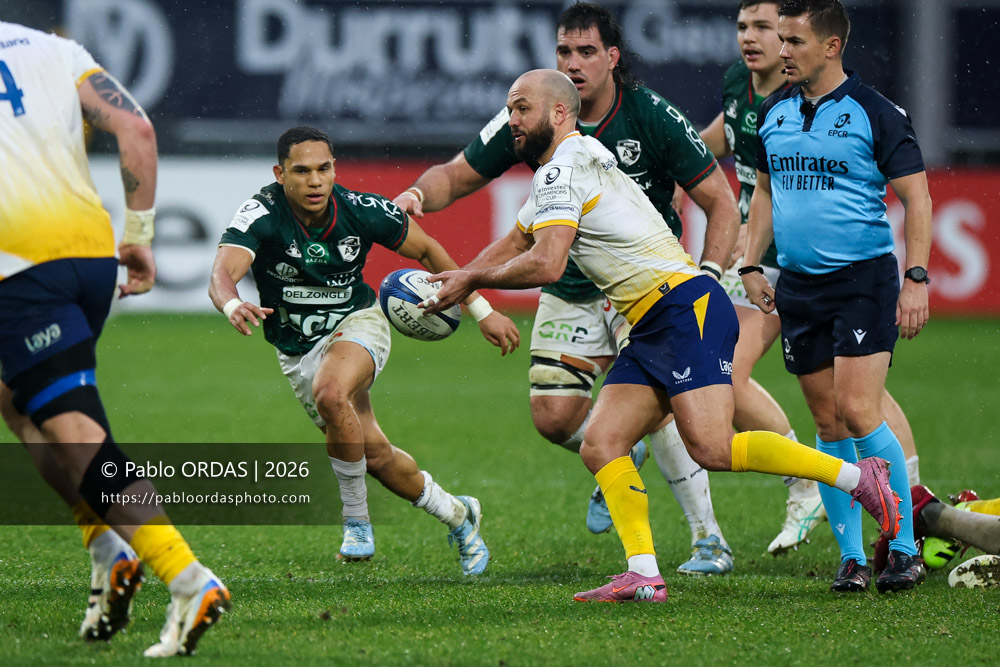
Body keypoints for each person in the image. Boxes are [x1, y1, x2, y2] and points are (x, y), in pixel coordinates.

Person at [422, 68, 902, 603]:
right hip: (654, 320)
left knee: (712, 446)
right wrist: (462, 278)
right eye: (510, 109)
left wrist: (472, 281)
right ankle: (644, 573)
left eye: (521, 108)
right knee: (602, 442)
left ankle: (858, 479)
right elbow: (516, 241)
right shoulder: (571, 162)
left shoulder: (563, 169)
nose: (511, 120)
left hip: (683, 308)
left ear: (558, 113)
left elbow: (548, 262)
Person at [394, 1, 743, 576]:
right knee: (554, 417)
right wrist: (414, 195)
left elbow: (720, 202)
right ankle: (621, 451)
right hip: (571, 283)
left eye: (586, 51)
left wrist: (710, 274)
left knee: (669, 410)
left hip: (643, 287)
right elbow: (456, 176)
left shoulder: (652, 115)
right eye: (564, 51)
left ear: (613, 57)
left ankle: (709, 539)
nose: (574, 62)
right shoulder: (529, 116)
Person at [0, 21, 229, 657]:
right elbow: (137, 129)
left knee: (73, 428)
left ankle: (187, 578)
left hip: (19, 266)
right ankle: (107, 548)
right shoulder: (51, 48)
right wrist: (140, 235)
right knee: (20, 404)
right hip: (89, 253)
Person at [208, 126, 519, 576]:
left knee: (331, 393)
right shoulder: (262, 213)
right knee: (374, 456)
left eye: (324, 169)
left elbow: (429, 250)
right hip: (296, 350)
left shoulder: (361, 209)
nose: (315, 181)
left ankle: (356, 521)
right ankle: (458, 513)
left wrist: (483, 310)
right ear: (280, 174)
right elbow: (221, 273)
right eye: (302, 171)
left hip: (358, 323)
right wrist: (232, 303)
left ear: (335, 168)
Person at [700, 0, 924, 555]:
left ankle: (905, 544)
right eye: (778, 38)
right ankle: (852, 558)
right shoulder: (772, 111)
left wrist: (916, 278)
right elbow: (764, 191)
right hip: (797, 284)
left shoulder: (876, 112)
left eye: (792, 40)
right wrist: (751, 264)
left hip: (861, 279)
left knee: (860, 409)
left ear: (831, 46)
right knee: (828, 421)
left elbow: (917, 199)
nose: (781, 50)